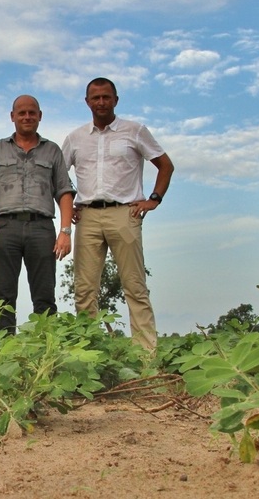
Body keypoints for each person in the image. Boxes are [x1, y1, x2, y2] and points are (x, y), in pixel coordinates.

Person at [62, 77, 174, 351]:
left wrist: (154, 200)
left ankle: (146, 355)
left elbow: (165, 165)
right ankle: (89, 354)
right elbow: (57, 177)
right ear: (87, 102)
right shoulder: (75, 138)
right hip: (87, 216)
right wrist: (67, 206)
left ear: (116, 100)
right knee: (85, 290)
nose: (101, 102)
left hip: (125, 214)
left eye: (106, 97)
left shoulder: (134, 131)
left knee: (134, 286)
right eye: (95, 97)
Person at [0, 95, 75, 334]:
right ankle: (4, 349)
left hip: (41, 229)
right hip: (4, 227)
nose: (27, 117)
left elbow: (64, 191)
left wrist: (65, 232)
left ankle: (44, 348)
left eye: (32, 113)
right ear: (12, 117)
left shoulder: (52, 151)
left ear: (40, 116)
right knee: (4, 295)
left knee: (44, 293)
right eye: (21, 113)